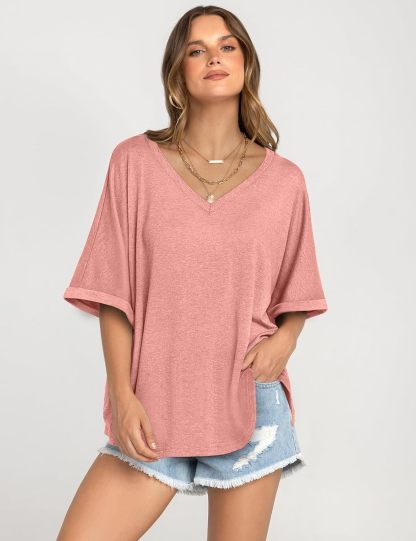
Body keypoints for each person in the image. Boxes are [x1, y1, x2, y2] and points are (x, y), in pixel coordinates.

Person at [57, 5, 328, 541]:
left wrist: (286, 340)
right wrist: (122, 394)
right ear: (178, 71)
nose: (213, 58)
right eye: (196, 50)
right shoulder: (134, 163)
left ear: (246, 63)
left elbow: (298, 287)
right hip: (153, 401)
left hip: (250, 400)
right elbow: (113, 293)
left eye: (227, 46)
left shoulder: (284, 182)